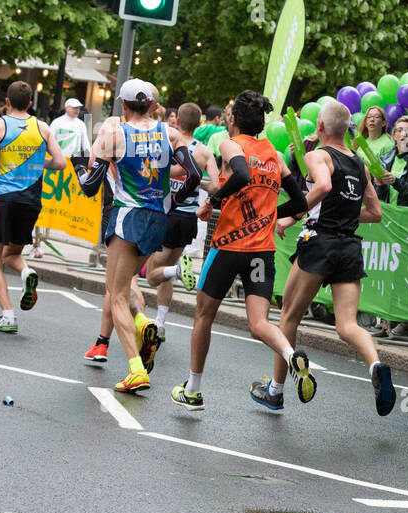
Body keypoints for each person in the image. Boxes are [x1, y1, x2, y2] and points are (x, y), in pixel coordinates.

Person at [253, 100, 396, 414]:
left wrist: (289, 215)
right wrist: (339, 212)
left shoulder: (317, 155)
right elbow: (375, 212)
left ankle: (275, 391)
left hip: (319, 243)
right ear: (346, 130)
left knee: (288, 317)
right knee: (346, 326)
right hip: (348, 246)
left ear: (319, 127)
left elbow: (325, 185)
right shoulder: (359, 164)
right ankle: (375, 367)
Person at [173, 89, 310, 410]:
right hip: (262, 251)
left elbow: (243, 173)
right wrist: (273, 214)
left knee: (203, 315)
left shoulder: (229, 145)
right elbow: (301, 202)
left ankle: (193, 389)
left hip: (227, 245)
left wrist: (213, 200)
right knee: (259, 323)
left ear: (232, 121)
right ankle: (292, 357)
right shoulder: (275, 155)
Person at [77, 79, 199, 390]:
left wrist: (80, 172)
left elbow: (91, 187)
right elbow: (194, 173)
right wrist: (177, 199)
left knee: (115, 293)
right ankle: (143, 322)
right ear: (152, 106)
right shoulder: (169, 134)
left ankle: (136, 369)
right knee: (129, 281)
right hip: (158, 218)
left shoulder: (113, 134)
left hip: (127, 217)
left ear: (123, 105)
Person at [0, 81, 67, 333]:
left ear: (7, 103)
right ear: (31, 103)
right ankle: (26, 273)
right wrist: (36, 164)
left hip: (2, 199)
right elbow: (59, 163)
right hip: (31, 202)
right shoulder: (43, 127)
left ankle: (8, 316)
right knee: (12, 254)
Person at [143, 102, 208, 340]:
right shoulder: (204, 151)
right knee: (165, 274)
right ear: (199, 124)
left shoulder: (167, 143)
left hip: (167, 214)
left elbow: (154, 169)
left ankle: (178, 270)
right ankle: (160, 322)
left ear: (177, 121)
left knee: (151, 275)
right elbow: (216, 185)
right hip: (189, 218)